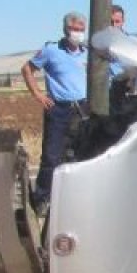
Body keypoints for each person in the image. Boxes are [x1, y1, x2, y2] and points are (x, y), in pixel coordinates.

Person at [22, 12, 90, 212]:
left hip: (83, 108)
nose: (78, 33)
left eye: (81, 29)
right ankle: (42, 198)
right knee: (52, 156)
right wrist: (38, 94)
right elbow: (27, 69)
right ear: (66, 29)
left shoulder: (87, 53)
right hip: (59, 109)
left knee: (80, 155)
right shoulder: (51, 50)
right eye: (75, 29)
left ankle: (74, 198)